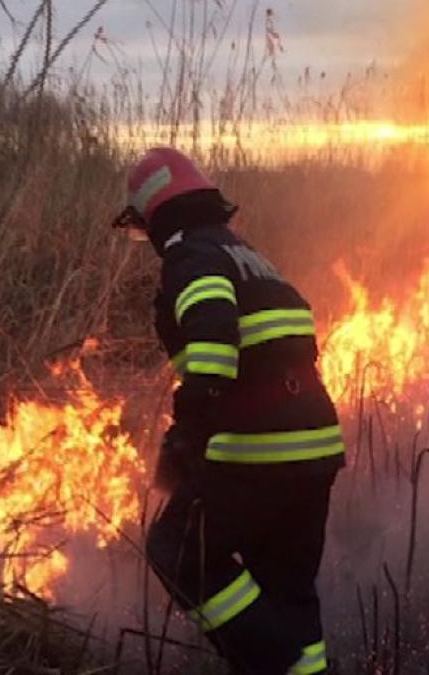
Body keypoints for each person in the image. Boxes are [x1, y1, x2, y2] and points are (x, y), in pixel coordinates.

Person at [113, 147, 344, 674]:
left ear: (158, 216)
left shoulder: (191, 253)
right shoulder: (251, 257)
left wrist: (189, 430)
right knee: (287, 589)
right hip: (316, 451)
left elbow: (213, 332)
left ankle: (272, 659)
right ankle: (302, 667)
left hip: (260, 451)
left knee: (176, 547)